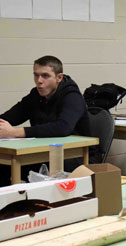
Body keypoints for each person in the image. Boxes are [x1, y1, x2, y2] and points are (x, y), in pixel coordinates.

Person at [0, 55, 90, 185]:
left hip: (73, 156)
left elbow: (62, 127)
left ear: (59, 78)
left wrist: (15, 132)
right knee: (3, 164)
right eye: (36, 75)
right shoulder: (35, 95)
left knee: (17, 165)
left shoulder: (72, 96)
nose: (39, 81)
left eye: (45, 76)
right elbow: (9, 117)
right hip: (43, 152)